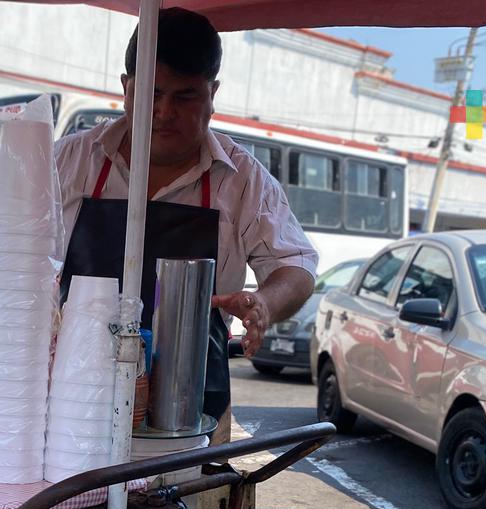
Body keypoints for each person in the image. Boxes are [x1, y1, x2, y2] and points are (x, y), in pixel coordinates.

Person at [55, 8, 317, 442]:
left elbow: (296, 266)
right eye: (152, 93)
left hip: (194, 415)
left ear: (212, 94)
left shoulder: (244, 180)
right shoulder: (69, 161)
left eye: (185, 96)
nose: (163, 111)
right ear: (125, 87)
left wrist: (264, 303)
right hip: (72, 406)